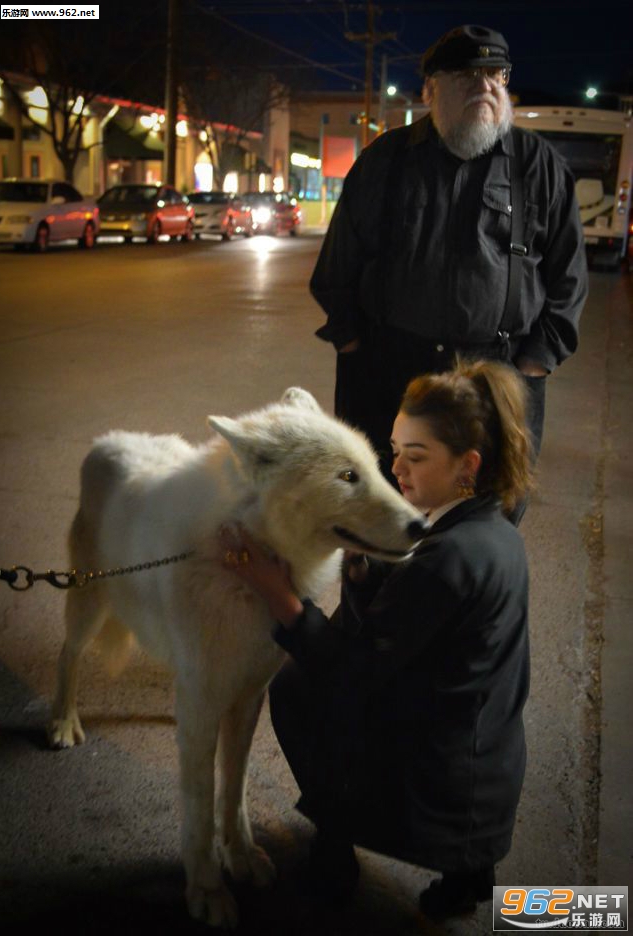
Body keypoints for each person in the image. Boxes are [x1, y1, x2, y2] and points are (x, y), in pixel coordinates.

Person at [219, 359, 533, 922]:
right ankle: (468, 873)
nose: (397, 471)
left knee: (297, 689)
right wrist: (362, 568)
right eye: (394, 450)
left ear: (468, 465)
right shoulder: (489, 522)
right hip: (485, 754)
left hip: (442, 779)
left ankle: (334, 849)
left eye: (415, 458)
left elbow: (349, 671)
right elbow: (401, 619)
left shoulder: (453, 559)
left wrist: (276, 591)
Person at [310, 23, 588, 494]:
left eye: (495, 73)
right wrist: (353, 347)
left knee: (488, 509)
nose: (483, 84)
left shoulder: (537, 165)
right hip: (392, 372)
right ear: (430, 89)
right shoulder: (385, 161)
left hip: (499, 373)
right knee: (383, 505)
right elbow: (338, 267)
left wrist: (534, 364)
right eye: (465, 73)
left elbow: (568, 278)